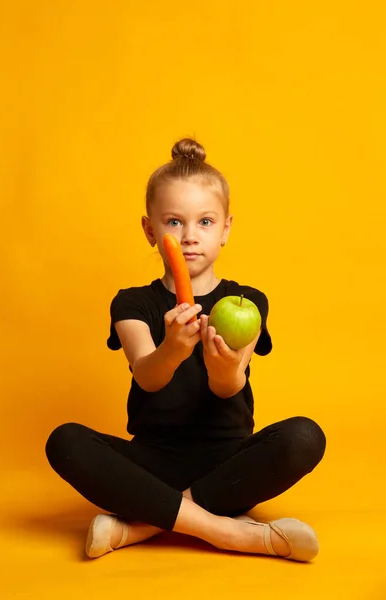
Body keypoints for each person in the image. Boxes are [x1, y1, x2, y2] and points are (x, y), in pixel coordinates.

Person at [45, 138, 326, 562]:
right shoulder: (132, 304)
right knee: (64, 441)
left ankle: (142, 526)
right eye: (174, 222)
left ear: (227, 228)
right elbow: (146, 375)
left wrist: (224, 368)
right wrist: (172, 349)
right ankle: (229, 533)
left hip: (227, 465)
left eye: (206, 222)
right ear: (149, 229)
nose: (190, 237)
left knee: (305, 436)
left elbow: (230, 389)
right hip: (150, 462)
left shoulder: (249, 302)